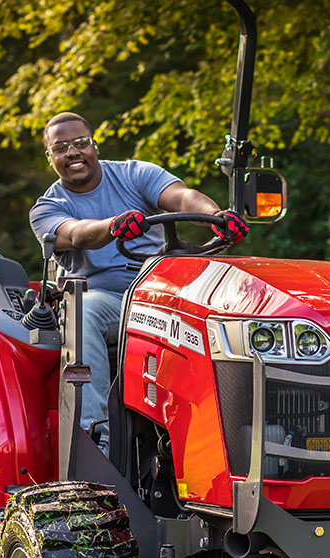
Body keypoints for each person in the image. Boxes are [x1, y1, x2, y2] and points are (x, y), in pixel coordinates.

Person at [29, 111, 248, 450]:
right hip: (109, 300)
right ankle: (94, 441)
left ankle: (238, 436)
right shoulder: (47, 208)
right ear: (49, 158)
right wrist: (112, 226)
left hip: (164, 291)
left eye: (80, 143)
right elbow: (75, 234)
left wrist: (215, 217)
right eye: (60, 148)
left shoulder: (135, 174)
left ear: (94, 145)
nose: (72, 153)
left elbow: (183, 197)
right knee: (85, 311)